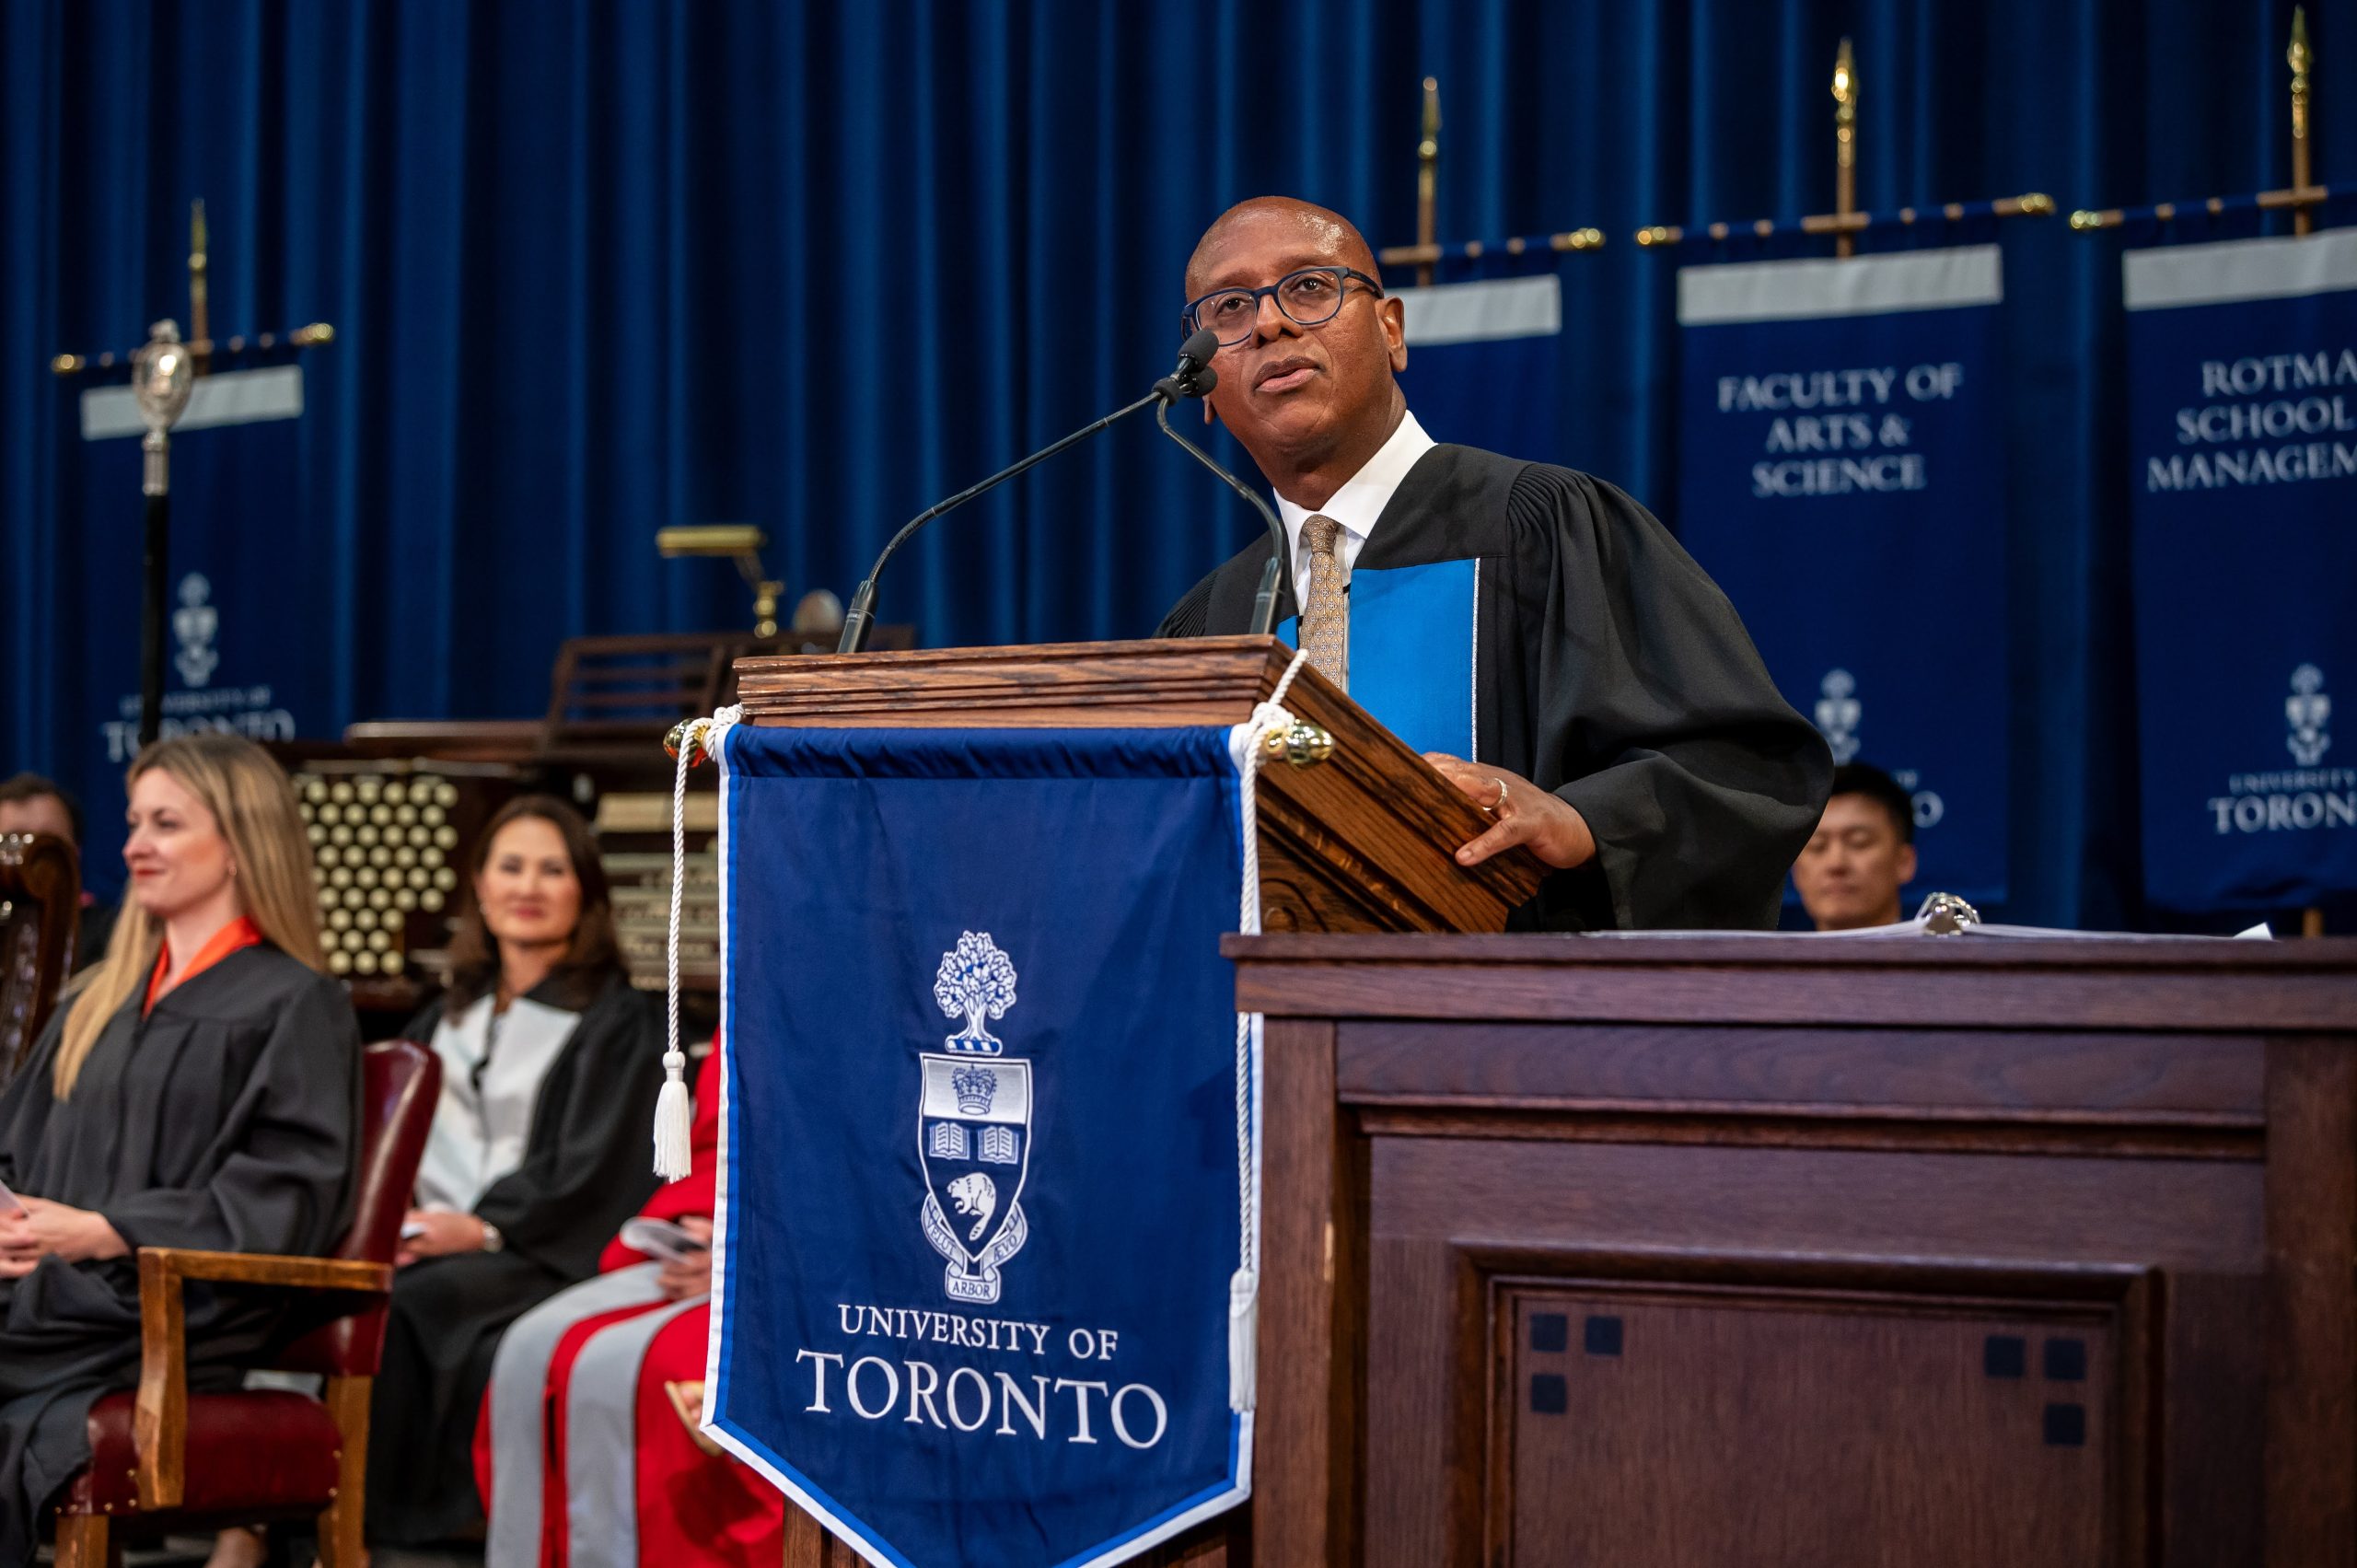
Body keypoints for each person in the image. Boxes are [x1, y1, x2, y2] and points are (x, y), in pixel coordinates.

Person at [1157, 197, 1830, 930]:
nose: (1268, 323)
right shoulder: (1211, 624)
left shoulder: (1548, 527)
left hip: (1516, 1027)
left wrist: (1579, 821)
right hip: (1272, 1034)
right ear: (1204, 392)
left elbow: (1744, 770)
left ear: (1392, 331)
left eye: (1311, 287)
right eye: (1228, 308)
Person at [0, 736, 359, 1568]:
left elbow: (288, 1196)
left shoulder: (297, 1003)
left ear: (239, 841)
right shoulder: (99, 997)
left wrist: (105, 1228)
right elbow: (14, 1148)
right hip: (52, 1293)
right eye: (133, 822)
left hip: (170, 1308)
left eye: (166, 822)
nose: (133, 845)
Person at [365, 795, 664, 1551]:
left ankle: (400, 1531)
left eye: (552, 869)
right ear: (480, 886)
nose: (528, 886)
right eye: (511, 866)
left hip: (538, 1251)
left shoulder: (616, 1021)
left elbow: (593, 1168)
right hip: (427, 1237)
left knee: (413, 1304)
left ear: (585, 894)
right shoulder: (443, 1015)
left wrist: (485, 1226)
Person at [476, 1044, 785, 1568]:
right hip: (720, 1232)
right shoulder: (759, 987)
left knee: (657, 1368)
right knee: (531, 1345)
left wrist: (759, 1248)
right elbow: (716, 1144)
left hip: (815, 1263)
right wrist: (705, 1228)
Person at [0, 772, 119, 970]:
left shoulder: (115, 936)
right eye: (16, 841)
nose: (33, 854)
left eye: (49, 841)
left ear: (76, 850)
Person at [1792, 762, 1919, 932]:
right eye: (1818, 846)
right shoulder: (1755, 958)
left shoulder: (1945, 958)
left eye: (1859, 842)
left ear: (1904, 862)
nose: (1836, 863)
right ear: (1797, 871)